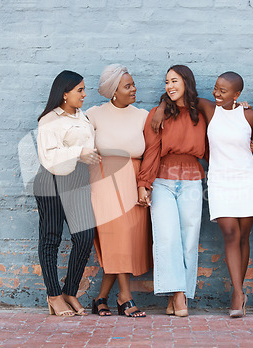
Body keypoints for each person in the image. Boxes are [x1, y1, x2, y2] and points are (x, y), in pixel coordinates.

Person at [150, 73, 253, 318]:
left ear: (237, 94)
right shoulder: (209, 109)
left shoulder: (250, 114)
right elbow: (179, 98)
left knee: (243, 236)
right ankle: (239, 292)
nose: (217, 94)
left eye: (223, 91)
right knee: (230, 233)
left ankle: (237, 293)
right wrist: (159, 109)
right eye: (216, 89)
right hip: (220, 179)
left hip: (247, 179)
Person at [137, 65, 207, 317]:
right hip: (163, 182)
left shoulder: (201, 112)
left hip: (191, 180)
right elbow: (152, 151)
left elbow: (214, 142)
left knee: (189, 240)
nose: (170, 86)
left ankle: (179, 295)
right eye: (167, 81)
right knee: (167, 238)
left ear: (186, 82)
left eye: (174, 80)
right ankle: (179, 296)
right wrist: (143, 184)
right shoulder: (158, 115)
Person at [86, 64, 152, 318]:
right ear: (114, 91)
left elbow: (150, 154)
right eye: (128, 86)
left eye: (133, 84)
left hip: (133, 183)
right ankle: (125, 297)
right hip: (103, 182)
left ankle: (100, 298)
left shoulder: (142, 115)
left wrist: (143, 185)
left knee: (124, 241)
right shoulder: (93, 114)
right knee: (116, 237)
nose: (134, 88)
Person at [34, 70, 101, 316]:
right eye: (80, 90)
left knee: (84, 237)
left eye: (84, 89)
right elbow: (48, 156)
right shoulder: (49, 120)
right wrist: (79, 153)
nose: (84, 94)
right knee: (51, 238)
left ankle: (69, 291)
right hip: (51, 180)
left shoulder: (82, 117)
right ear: (65, 94)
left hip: (78, 180)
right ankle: (53, 295)